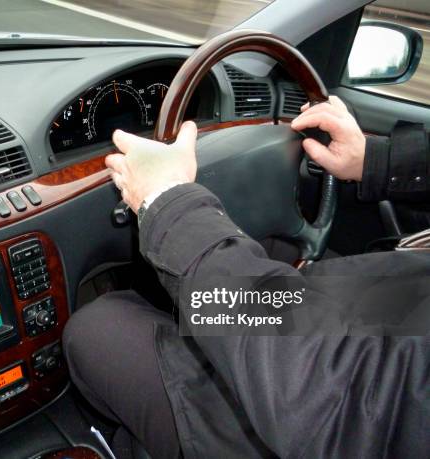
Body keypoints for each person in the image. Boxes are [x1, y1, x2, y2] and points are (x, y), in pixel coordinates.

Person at [63, 96, 430, 459]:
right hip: (388, 308)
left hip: (313, 410)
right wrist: (377, 161)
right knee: (273, 253)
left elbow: (322, 395)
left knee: (95, 328)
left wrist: (168, 200)